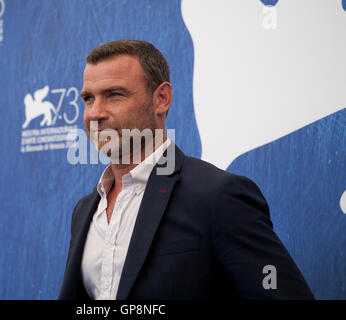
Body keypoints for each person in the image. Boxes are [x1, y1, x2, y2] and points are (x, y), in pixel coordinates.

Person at [58, 39, 314, 300]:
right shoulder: (85, 210)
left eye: (114, 95)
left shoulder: (218, 197)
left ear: (162, 99)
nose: (95, 113)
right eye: (89, 99)